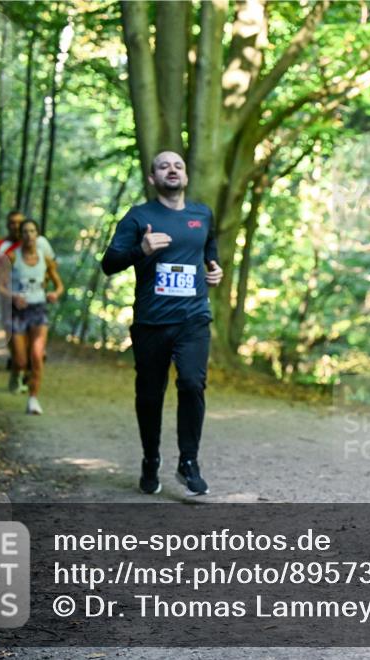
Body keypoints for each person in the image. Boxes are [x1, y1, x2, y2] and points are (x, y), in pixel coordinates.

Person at [101, 151, 223, 496]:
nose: (172, 169)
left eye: (179, 165)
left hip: (193, 318)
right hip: (152, 322)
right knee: (151, 396)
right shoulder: (139, 217)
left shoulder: (202, 214)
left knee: (191, 383)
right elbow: (109, 264)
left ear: (185, 177)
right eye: (163, 166)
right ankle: (150, 458)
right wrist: (140, 249)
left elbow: (208, 250)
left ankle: (189, 462)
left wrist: (214, 268)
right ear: (153, 178)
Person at [0, 219, 64, 415]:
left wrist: (54, 294)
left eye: (32, 231)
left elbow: (59, 284)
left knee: (37, 355)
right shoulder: (11, 257)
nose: (29, 235)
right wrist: (13, 296)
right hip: (17, 311)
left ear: (37, 234)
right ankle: (16, 373)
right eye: (25, 231)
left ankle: (33, 399)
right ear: (21, 235)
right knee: (20, 360)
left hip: (38, 309)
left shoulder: (45, 258)